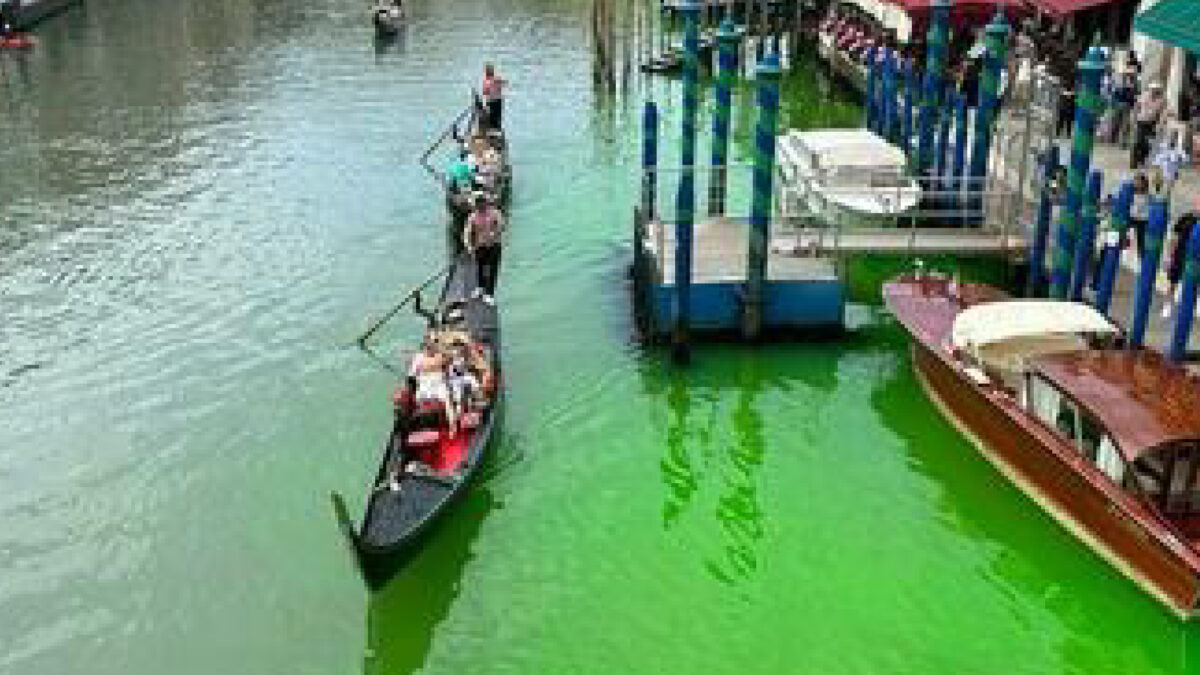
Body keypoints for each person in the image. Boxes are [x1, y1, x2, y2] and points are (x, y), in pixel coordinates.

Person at [1162, 195, 1200, 318]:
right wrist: (1169, 257)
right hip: (1180, 254)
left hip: (1196, 258)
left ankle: (1191, 309)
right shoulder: (1185, 218)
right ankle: (1167, 305)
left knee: (1194, 285)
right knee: (1173, 282)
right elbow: (1174, 238)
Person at [462, 196, 504, 304]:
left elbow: (501, 225)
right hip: (479, 245)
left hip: (494, 245)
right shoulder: (473, 216)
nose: (480, 205)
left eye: (482, 202)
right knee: (480, 266)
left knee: (492, 269)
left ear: (486, 202)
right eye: (478, 203)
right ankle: (480, 287)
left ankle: (489, 293)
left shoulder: (495, 213)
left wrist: (494, 234)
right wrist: (469, 246)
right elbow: (467, 232)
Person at [1132, 80, 1166, 169]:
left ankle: (1142, 160)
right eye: (1153, 89)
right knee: (1137, 141)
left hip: (1151, 123)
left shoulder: (1161, 100)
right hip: (1141, 121)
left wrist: (1159, 124)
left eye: (1156, 90)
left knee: (1147, 143)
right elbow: (1136, 106)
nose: (1154, 91)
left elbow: (1162, 113)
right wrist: (1134, 117)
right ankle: (1134, 162)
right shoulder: (1144, 96)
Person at [480, 63, 507, 131]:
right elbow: (504, 84)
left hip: (492, 101)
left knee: (493, 117)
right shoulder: (493, 80)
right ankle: (495, 129)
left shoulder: (489, 80)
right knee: (495, 117)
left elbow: (485, 92)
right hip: (495, 101)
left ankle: (493, 129)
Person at [1129, 171, 1151, 257]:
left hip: (1142, 220)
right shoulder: (1129, 192)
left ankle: (1142, 258)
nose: (1136, 182)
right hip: (1129, 218)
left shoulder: (1148, 196)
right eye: (1135, 180)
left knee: (1142, 243)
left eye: (1138, 180)